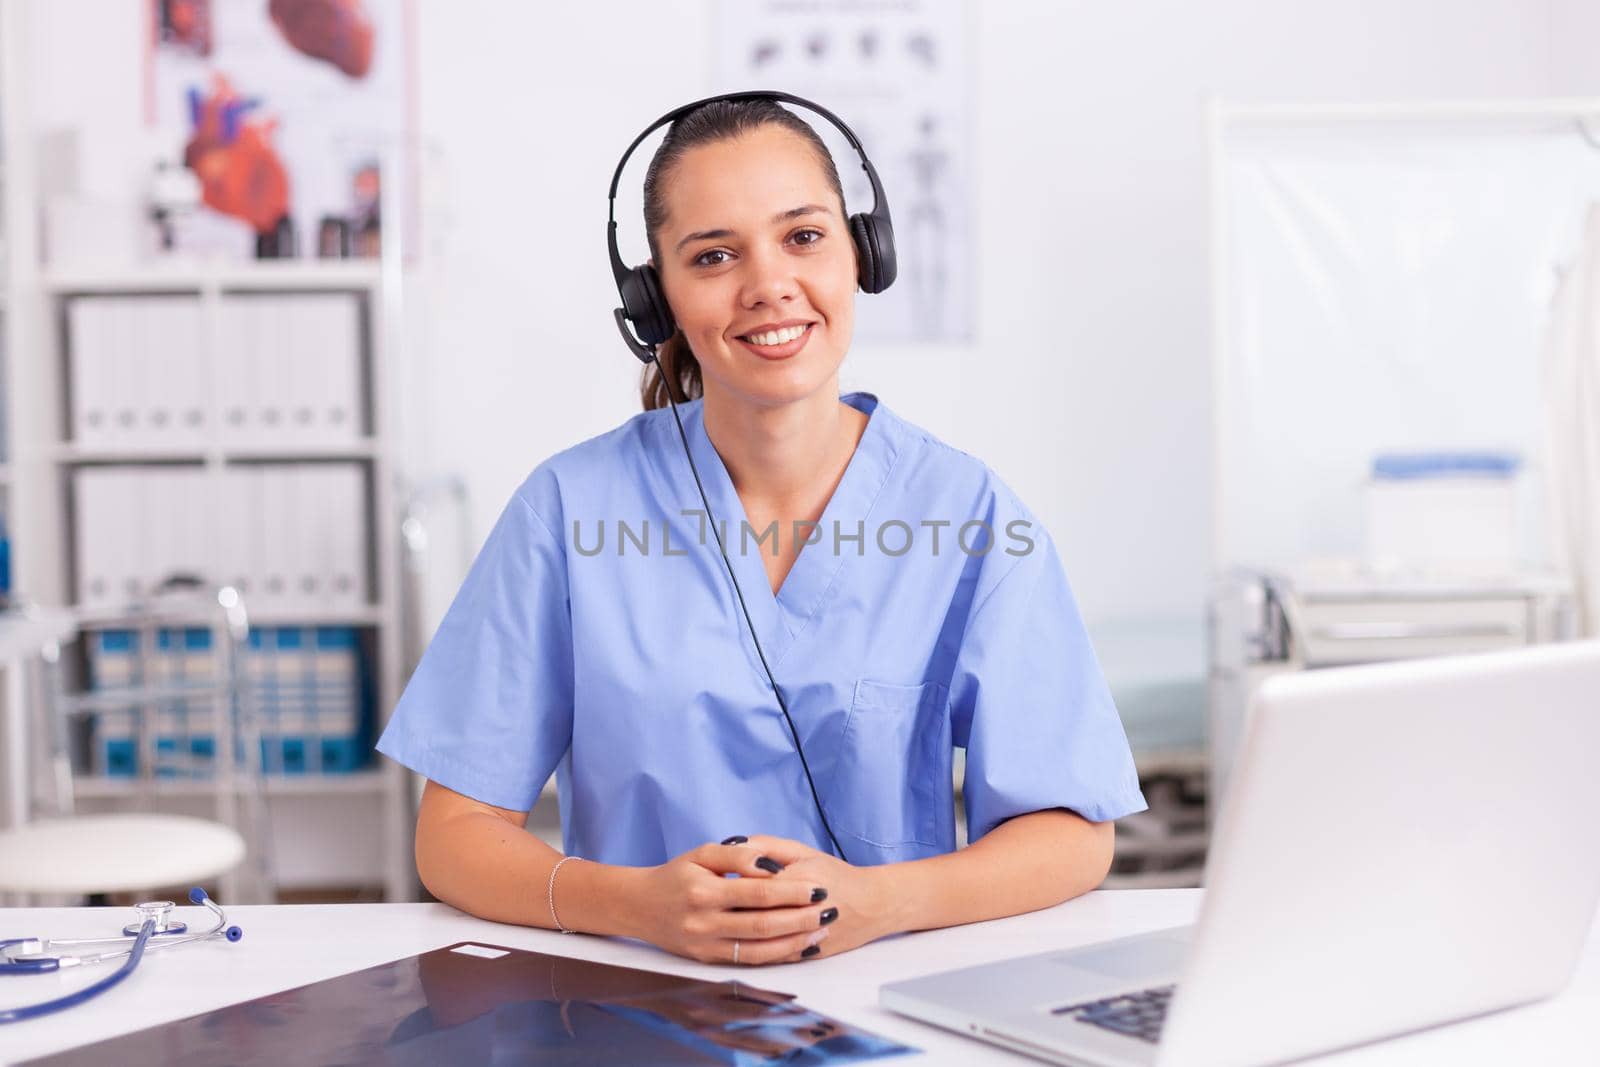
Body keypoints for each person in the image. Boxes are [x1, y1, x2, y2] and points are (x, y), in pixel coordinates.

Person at [376, 95, 1147, 968]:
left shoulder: (968, 514)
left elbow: (1073, 831)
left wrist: (879, 902)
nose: (769, 284)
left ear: (864, 252)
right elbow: (454, 832)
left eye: (804, 237)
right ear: (655, 298)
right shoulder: (566, 510)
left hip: (888, 1006)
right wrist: (637, 906)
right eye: (713, 255)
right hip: (633, 1008)